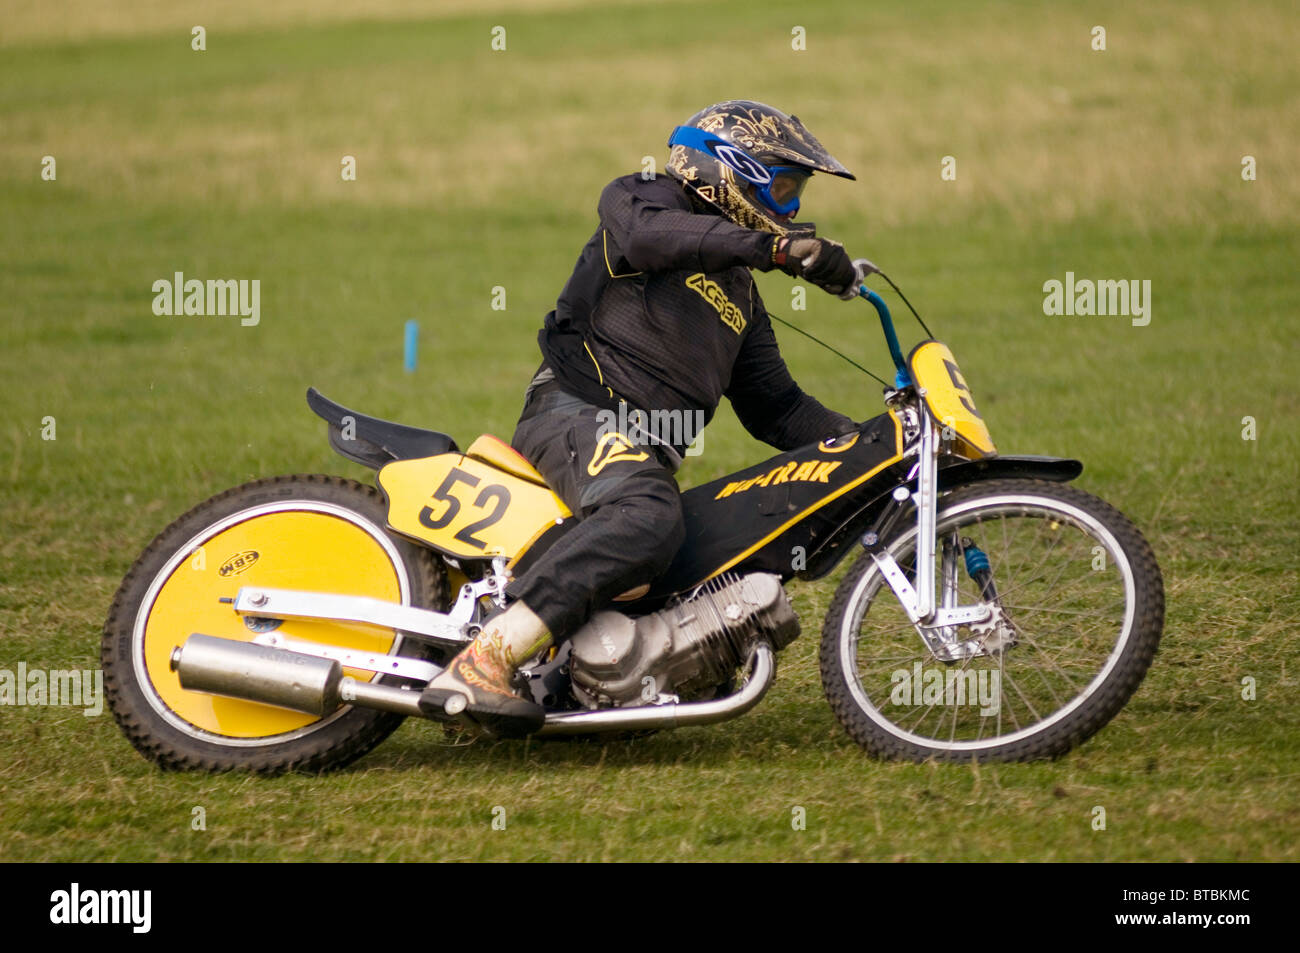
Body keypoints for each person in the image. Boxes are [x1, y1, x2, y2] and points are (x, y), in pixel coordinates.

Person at [421, 100, 869, 736]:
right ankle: (485, 658)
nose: (791, 208)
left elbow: (777, 407)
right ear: (729, 169)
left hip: (643, 455)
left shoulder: (739, 291)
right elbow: (649, 239)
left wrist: (868, 443)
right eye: (783, 186)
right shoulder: (643, 201)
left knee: (706, 547)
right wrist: (776, 248)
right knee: (648, 516)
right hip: (575, 416)